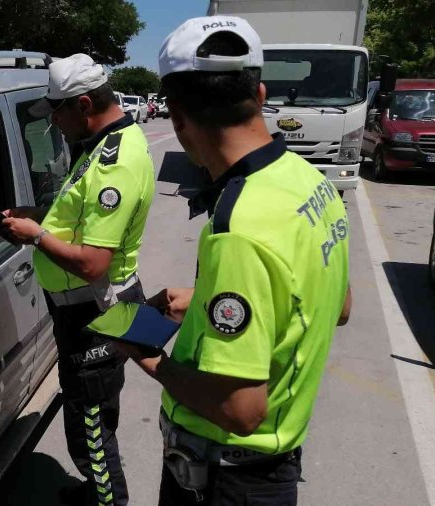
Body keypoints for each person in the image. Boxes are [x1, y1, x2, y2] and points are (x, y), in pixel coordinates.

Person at [116, 17, 352, 505]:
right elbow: (338, 304)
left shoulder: (237, 228)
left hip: (226, 481)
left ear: (177, 117)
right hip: (271, 469)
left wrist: (147, 355)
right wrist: (205, 301)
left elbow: (240, 409)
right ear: (260, 95)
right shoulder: (309, 180)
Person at [0, 53, 156, 506]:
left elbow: (92, 264)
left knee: (91, 429)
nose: (55, 123)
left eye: (58, 113)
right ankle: (95, 493)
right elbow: (82, 215)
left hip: (98, 311)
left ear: (84, 104)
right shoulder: (101, 145)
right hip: (84, 311)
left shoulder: (115, 164)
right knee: (88, 417)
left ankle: (109, 502)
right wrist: (40, 216)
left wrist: (36, 235)